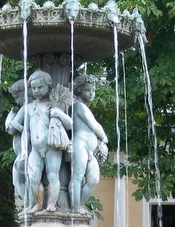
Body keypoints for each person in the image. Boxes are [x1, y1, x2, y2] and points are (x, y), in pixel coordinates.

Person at [6, 71, 71, 212]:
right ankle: (36, 204)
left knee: (53, 175)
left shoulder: (54, 106)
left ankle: (52, 204)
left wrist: (59, 113)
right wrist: (11, 121)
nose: (36, 91)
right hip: (35, 150)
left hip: (52, 147)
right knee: (33, 177)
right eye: (33, 88)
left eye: (40, 87)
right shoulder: (28, 108)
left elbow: (70, 125)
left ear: (48, 86)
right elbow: (15, 129)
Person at [70, 74, 108, 212]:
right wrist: (104, 138)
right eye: (87, 90)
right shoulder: (78, 105)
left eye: (93, 90)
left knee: (93, 179)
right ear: (79, 90)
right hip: (80, 144)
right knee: (77, 177)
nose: (91, 93)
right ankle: (75, 207)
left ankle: (79, 203)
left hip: (90, 149)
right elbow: (94, 126)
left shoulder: (84, 107)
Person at [4, 79, 28, 204]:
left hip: (26, 153)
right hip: (23, 152)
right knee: (18, 181)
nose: (17, 100)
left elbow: (11, 130)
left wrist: (11, 120)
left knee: (18, 180)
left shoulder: (26, 108)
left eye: (17, 96)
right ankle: (30, 204)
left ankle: (30, 204)